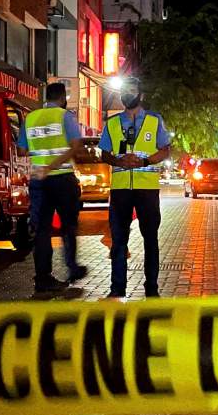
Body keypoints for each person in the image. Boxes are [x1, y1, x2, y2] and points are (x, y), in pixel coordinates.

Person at [99, 77, 172, 298]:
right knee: (119, 240)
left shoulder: (154, 120)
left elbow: (165, 150)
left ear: (141, 95)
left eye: (132, 90)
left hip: (146, 190)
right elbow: (104, 153)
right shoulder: (111, 123)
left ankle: (152, 289)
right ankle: (117, 289)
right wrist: (119, 161)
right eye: (125, 90)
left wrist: (144, 162)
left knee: (150, 239)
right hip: (120, 190)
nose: (127, 94)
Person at [21, 82, 87, 293]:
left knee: (42, 229)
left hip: (39, 181)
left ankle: (42, 278)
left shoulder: (30, 118)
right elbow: (76, 145)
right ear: (62, 98)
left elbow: (22, 149)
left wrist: (42, 161)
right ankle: (72, 268)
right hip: (61, 179)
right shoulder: (64, 116)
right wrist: (53, 164)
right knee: (68, 226)